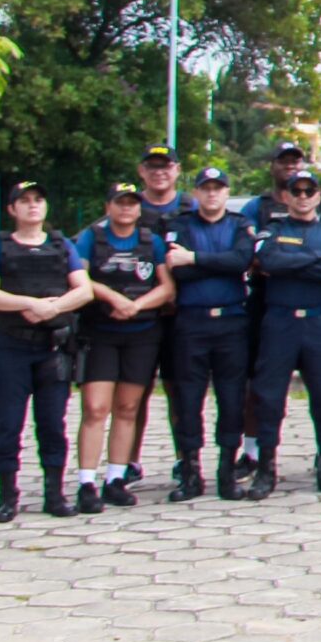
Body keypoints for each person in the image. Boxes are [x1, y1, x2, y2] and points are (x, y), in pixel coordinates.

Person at [0, 181, 89, 523]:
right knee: (8, 422)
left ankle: (54, 494)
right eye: (24, 201)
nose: (32, 206)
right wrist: (29, 303)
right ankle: (7, 496)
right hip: (10, 345)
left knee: (53, 423)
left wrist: (52, 310)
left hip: (52, 347)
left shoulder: (61, 245)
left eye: (38, 200)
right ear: (12, 209)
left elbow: (83, 290)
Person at [246, 166, 321, 499]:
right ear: (287, 195)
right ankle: (266, 468)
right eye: (297, 191)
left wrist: (296, 260)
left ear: (319, 196)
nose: (303, 197)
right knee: (270, 398)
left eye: (309, 191)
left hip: (318, 324)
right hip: (280, 322)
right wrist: (312, 260)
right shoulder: (272, 229)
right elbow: (270, 262)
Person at [70, 182, 172, 511]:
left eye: (132, 203)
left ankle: (116, 477)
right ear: (108, 206)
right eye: (119, 203)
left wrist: (137, 306)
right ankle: (86, 481)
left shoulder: (150, 241)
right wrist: (112, 297)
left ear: (140, 208)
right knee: (96, 408)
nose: (126, 209)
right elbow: (80, 278)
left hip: (141, 332)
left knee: (128, 409)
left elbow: (167, 287)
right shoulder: (92, 238)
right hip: (101, 331)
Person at [161, 166, 257, 500]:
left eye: (218, 188)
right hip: (192, 323)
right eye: (206, 188)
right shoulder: (180, 226)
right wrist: (214, 262)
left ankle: (226, 472)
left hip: (231, 322)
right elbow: (178, 271)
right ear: (197, 193)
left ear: (227, 193)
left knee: (232, 400)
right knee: (188, 400)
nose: (212, 193)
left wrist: (196, 258)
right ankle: (190, 473)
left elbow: (241, 261)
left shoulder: (240, 225)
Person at [134, 143, 188, 493]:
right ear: (142, 171)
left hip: (180, 314)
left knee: (178, 390)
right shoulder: (127, 206)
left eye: (165, 166)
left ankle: (185, 458)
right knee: (133, 393)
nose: (159, 172)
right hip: (136, 313)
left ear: (177, 170)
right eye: (152, 166)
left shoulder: (190, 208)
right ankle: (127, 462)